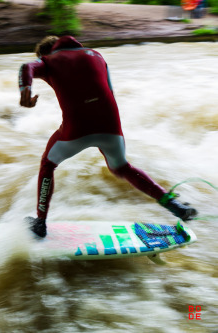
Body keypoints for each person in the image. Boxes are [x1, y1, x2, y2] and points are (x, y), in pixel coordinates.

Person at [19, 35, 198, 238]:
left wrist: (25, 90)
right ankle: (174, 205)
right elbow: (110, 92)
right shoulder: (97, 56)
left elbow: (27, 67)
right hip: (111, 125)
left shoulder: (49, 60)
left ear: (46, 53)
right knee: (122, 168)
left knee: (48, 163)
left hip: (76, 128)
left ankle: (40, 222)